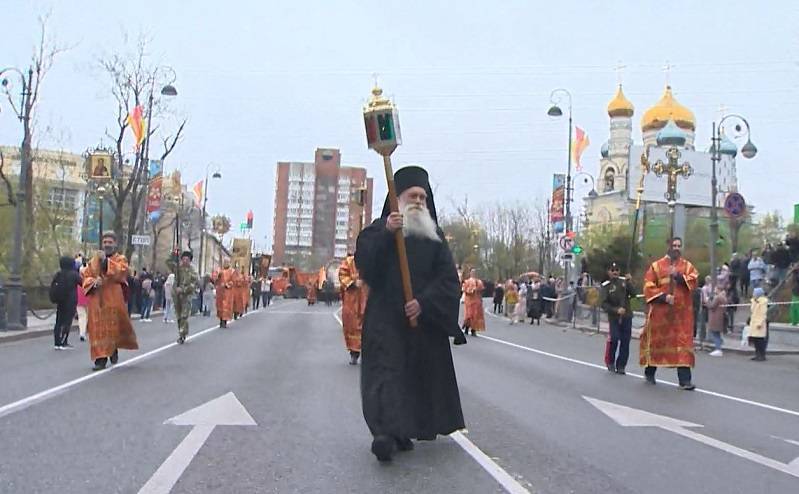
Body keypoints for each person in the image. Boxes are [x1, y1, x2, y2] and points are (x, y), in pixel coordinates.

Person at [354, 165, 465, 462]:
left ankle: (404, 430)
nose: (417, 201)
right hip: (385, 321)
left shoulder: (435, 236)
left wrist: (424, 303)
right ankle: (385, 434)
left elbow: (448, 281)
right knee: (386, 376)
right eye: (411, 195)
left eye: (422, 197)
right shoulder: (377, 232)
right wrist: (388, 234)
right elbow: (365, 264)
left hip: (421, 323)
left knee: (415, 378)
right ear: (396, 199)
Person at [640, 237, 699, 390]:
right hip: (661, 314)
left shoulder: (687, 266)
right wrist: (664, 297)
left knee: (682, 345)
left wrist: (678, 276)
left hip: (681, 316)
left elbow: (693, 281)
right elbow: (648, 286)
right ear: (669, 247)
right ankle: (650, 372)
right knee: (657, 344)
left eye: (679, 245)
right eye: (674, 245)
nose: (677, 248)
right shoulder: (656, 266)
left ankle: (684, 380)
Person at [82, 231, 138, 371]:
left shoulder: (120, 259)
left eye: (110, 242)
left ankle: (112, 349)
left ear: (115, 244)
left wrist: (106, 263)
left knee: (112, 328)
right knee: (97, 329)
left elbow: (122, 272)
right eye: (105, 242)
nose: (107, 245)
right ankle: (100, 359)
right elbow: (85, 275)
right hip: (97, 301)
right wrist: (94, 282)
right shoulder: (94, 260)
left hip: (113, 299)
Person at [600, 262, 635, 374]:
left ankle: (621, 365)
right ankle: (610, 362)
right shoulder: (606, 286)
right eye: (612, 270)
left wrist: (629, 282)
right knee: (614, 339)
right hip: (614, 317)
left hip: (626, 316)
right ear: (608, 272)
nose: (615, 272)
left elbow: (633, 294)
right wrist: (615, 310)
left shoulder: (624, 282)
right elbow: (604, 304)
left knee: (625, 341)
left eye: (617, 270)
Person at [339, 254, 367, 365]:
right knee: (351, 326)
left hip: (367, 297)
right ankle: (354, 353)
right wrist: (353, 283)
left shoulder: (373, 258)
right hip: (352, 300)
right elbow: (342, 275)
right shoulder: (349, 262)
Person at [50, 256, 81, 350]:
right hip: (70, 301)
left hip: (60, 300)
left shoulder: (58, 274)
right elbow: (82, 283)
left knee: (59, 321)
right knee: (67, 322)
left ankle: (57, 342)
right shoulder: (74, 274)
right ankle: (63, 341)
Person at [173, 251, 200, 344]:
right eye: (183, 259)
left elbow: (194, 284)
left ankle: (182, 335)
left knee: (184, 316)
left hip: (187, 296)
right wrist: (174, 253)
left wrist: (183, 289)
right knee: (178, 316)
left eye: (187, 259)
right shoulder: (178, 268)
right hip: (177, 296)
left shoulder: (193, 271)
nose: (184, 261)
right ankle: (181, 331)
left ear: (190, 261)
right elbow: (168, 262)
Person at [461, 269, 485, 336]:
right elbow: (464, 290)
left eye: (474, 272)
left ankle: (473, 330)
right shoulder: (467, 281)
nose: (473, 273)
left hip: (477, 302)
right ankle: (466, 328)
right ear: (470, 273)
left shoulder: (479, 282)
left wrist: (478, 290)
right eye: (472, 272)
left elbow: (482, 290)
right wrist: (471, 290)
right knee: (469, 315)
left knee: (476, 316)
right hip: (469, 301)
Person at [748, 287, 769, 361]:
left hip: (760, 323)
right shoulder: (754, 301)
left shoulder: (763, 302)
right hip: (754, 321)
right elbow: (752, 310)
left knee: (760, 340)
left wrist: (760, 323)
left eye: (754, 293)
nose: (753, 294)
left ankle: (762, 355)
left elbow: (763, 314)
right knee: (755, 339)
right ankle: (757, 354)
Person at [212, 263, 235, 327]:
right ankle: (221, 320)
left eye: (227, 262)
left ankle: (224, 321)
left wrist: (226, 285)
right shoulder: (220, 271)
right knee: (220, 307)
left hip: (227, 292)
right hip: (220, 292)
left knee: (226, 307)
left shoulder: (232, 271)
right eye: (225, 262)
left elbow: (233, 281)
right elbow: (215, 279)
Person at [707, 285, 727, 357]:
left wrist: (708, 300)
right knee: (717, 333)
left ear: (718, 290)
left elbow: (712, 306)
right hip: (720, 317)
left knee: (715, 333)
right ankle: (719, 347)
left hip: (715, 317)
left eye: (715, 289)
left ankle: (718, 348)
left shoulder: (718, 297)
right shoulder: (724, 297)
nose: (714, 290)